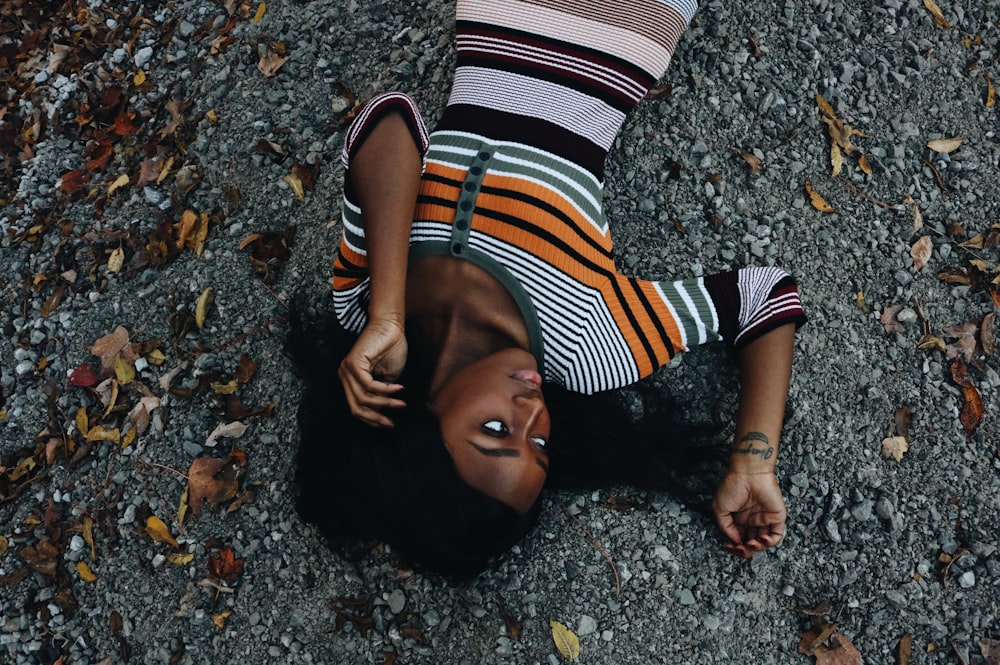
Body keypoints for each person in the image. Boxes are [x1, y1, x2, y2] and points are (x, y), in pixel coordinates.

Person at [292, 0, 806, 575]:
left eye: (496, 431)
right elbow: (765, 296)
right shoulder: (588, 345)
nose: (532, 413)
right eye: (539, 446)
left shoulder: (368, 310)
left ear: (424, 421)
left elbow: (388, 121)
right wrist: (754, 460)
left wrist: (388, 313)